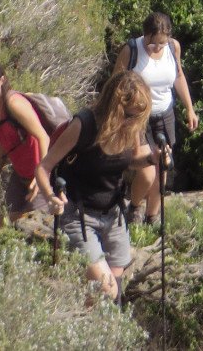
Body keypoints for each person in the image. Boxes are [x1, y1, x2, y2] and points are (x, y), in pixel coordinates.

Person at [35, 72, 156, 302]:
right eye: (129, 114)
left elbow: (131, 160)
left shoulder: (132, 125)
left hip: (113, 214)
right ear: (116, 106)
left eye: (138, 115)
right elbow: (43, 167)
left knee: (112, 293)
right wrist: (50, 197)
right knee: (107, 289)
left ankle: (92, 329)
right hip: (78, 216)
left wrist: (153, 160)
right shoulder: (84, 125)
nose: (133, 120)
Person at [112, 11, 198, 224]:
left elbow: (178, 76)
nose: (157, 48)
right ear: (145, 36)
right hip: (138, 116)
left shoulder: (173, 47)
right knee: (146, 171)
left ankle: (152, 216)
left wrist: (189, 108)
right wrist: (122, 118)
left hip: (165, 114)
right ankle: (134, 207)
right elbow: (115, 86)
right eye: (153, 44)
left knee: (163, 167)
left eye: (162, 43)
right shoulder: (131, 50)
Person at [0, 59, 50, 219]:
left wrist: (43, 177)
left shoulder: (14, 104)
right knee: (13, 221)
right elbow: (4, 141)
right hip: (21, 174)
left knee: (35, 227)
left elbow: (43, 137)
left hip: (40, 174)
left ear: (1, 80)